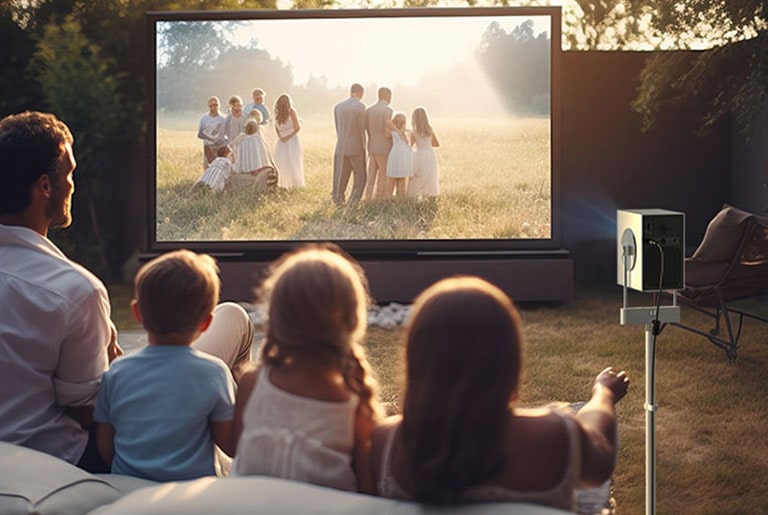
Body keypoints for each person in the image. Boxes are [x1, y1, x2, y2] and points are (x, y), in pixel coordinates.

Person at [371, 276, 629, 511]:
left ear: (416, 359)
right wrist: (603, 393)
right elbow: (599, 456)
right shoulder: (556, 434)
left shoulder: (385, 443)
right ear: (507, 358)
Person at [0, 111, 122, 472]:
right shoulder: (76, 291)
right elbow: (89, 412)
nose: (73, 184)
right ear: (45, 186)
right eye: (68, 173)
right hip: (57, 462)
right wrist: (115, 370)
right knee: (230, 327)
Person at [231, 244, 384, 494]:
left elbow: (237, 451)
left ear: (277, 316)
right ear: (353, 320)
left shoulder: (252, 382)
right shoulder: (354, 404)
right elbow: (367, 491)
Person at [94, 250, 237, 481]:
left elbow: (104, 444)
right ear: (206, 322)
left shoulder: (117, 373)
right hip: (190, 493)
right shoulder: (214, 373)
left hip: (127, 487)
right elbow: (230, 446)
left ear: (137, 313)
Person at [333, 83, 367, 205]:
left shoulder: (338, 106)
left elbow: (338, 127)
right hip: (356, 146)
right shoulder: (360, 107)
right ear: (361, 92)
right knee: (360, 175)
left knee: (341, 174)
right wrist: (364, 145)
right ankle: (354, 201)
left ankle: (337, 198)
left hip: (341, 145)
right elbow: (361, 128)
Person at [364, 87, 394, 200]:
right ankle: (379, 198)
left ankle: (368, 197)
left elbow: (367, 128)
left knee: (371, 174)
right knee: (383, 173)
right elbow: (387, 130)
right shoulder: (388, 110)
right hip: (384, 147)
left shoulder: (369, 110)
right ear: (388, 96)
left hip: (372, 146)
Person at [273, 93, 305, 189]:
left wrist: (286, 137)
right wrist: (281, 137)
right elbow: (276, 127)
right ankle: (282, 183)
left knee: (292, 161)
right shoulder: (278, 113)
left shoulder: (291, 112)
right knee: (282, 161)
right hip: (283, 141)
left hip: (291, 140)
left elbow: (297, 127)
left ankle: (294, 184)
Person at [407, 107, 440, 198]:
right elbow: (436, 144)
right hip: (430, 154)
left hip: (419, 153)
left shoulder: (414, 131)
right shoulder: (429, 129)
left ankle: (415, 195)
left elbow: (411, 145)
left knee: (417, 175)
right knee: (430, 175)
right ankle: (429, 194)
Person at [384, 112, 413, 198]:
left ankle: (398, 198)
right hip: (399, 155)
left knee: (400, 178)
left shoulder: (405, 132)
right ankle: (396, 198)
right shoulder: (395, 132)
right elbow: (388, 123)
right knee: (397, 178)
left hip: (399, 155)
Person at [197, 96, 227, 170]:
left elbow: (227, 133)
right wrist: (210, 138)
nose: (213, 107)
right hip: (209, 147)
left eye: (215, 105)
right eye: (211, 105)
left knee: (221, 167)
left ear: (219, 105)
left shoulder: (224, 118)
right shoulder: (204, 118)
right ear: (208, 106)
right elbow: (199, 134)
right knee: (209, 168)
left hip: (221, 146)